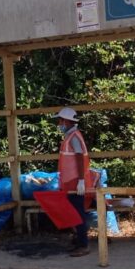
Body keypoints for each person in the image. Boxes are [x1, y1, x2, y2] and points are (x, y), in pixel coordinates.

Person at [56, 107, 90, 257]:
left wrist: (81, 181)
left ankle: (83, 245)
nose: (59, 123)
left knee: (78, 213)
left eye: (61, 120)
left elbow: (79, 158)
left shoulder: (73, 137)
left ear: (68, 121)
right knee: (74, 213)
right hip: (71, 182)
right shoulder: (71, 136)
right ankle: (79, 242)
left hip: (75, 182)